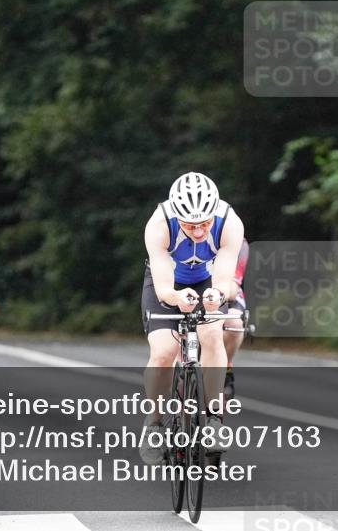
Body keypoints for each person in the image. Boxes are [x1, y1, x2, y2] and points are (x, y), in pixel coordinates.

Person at [139, 172, 245, 464]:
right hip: (168, 284)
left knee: (212, 335)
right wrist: (176, 298)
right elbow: (162, 287)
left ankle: (214, 419)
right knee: (163, 353)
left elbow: (224, 278)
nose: (198, 232)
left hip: (207, 280)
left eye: (204, 224)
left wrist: (217, 296)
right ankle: (155, 422)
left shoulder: (229, 222)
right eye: (190, 225)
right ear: (177, 216)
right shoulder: (159, 224)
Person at [223, 238, 249, 399]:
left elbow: (233, 288)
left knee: (235, 322)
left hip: (227, 292)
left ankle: (226, 366)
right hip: (189, 289)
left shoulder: (239, 243)